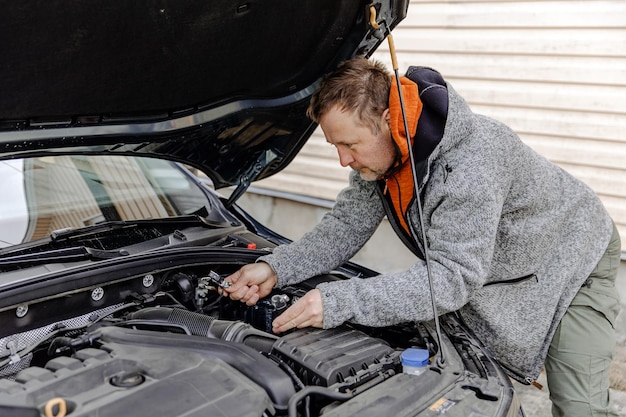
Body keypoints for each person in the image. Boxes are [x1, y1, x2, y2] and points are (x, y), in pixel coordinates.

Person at [224, 57, 621, 416]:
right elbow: (344, 227)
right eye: (335, 146)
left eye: (349, 144)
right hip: (508, 263)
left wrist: (340, 299)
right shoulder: (384, 157)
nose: (343, 159)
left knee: (579, 406)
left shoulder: (471, 164)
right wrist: (276, 269)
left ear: (387, 121)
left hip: (573, 256)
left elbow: (453, 278)